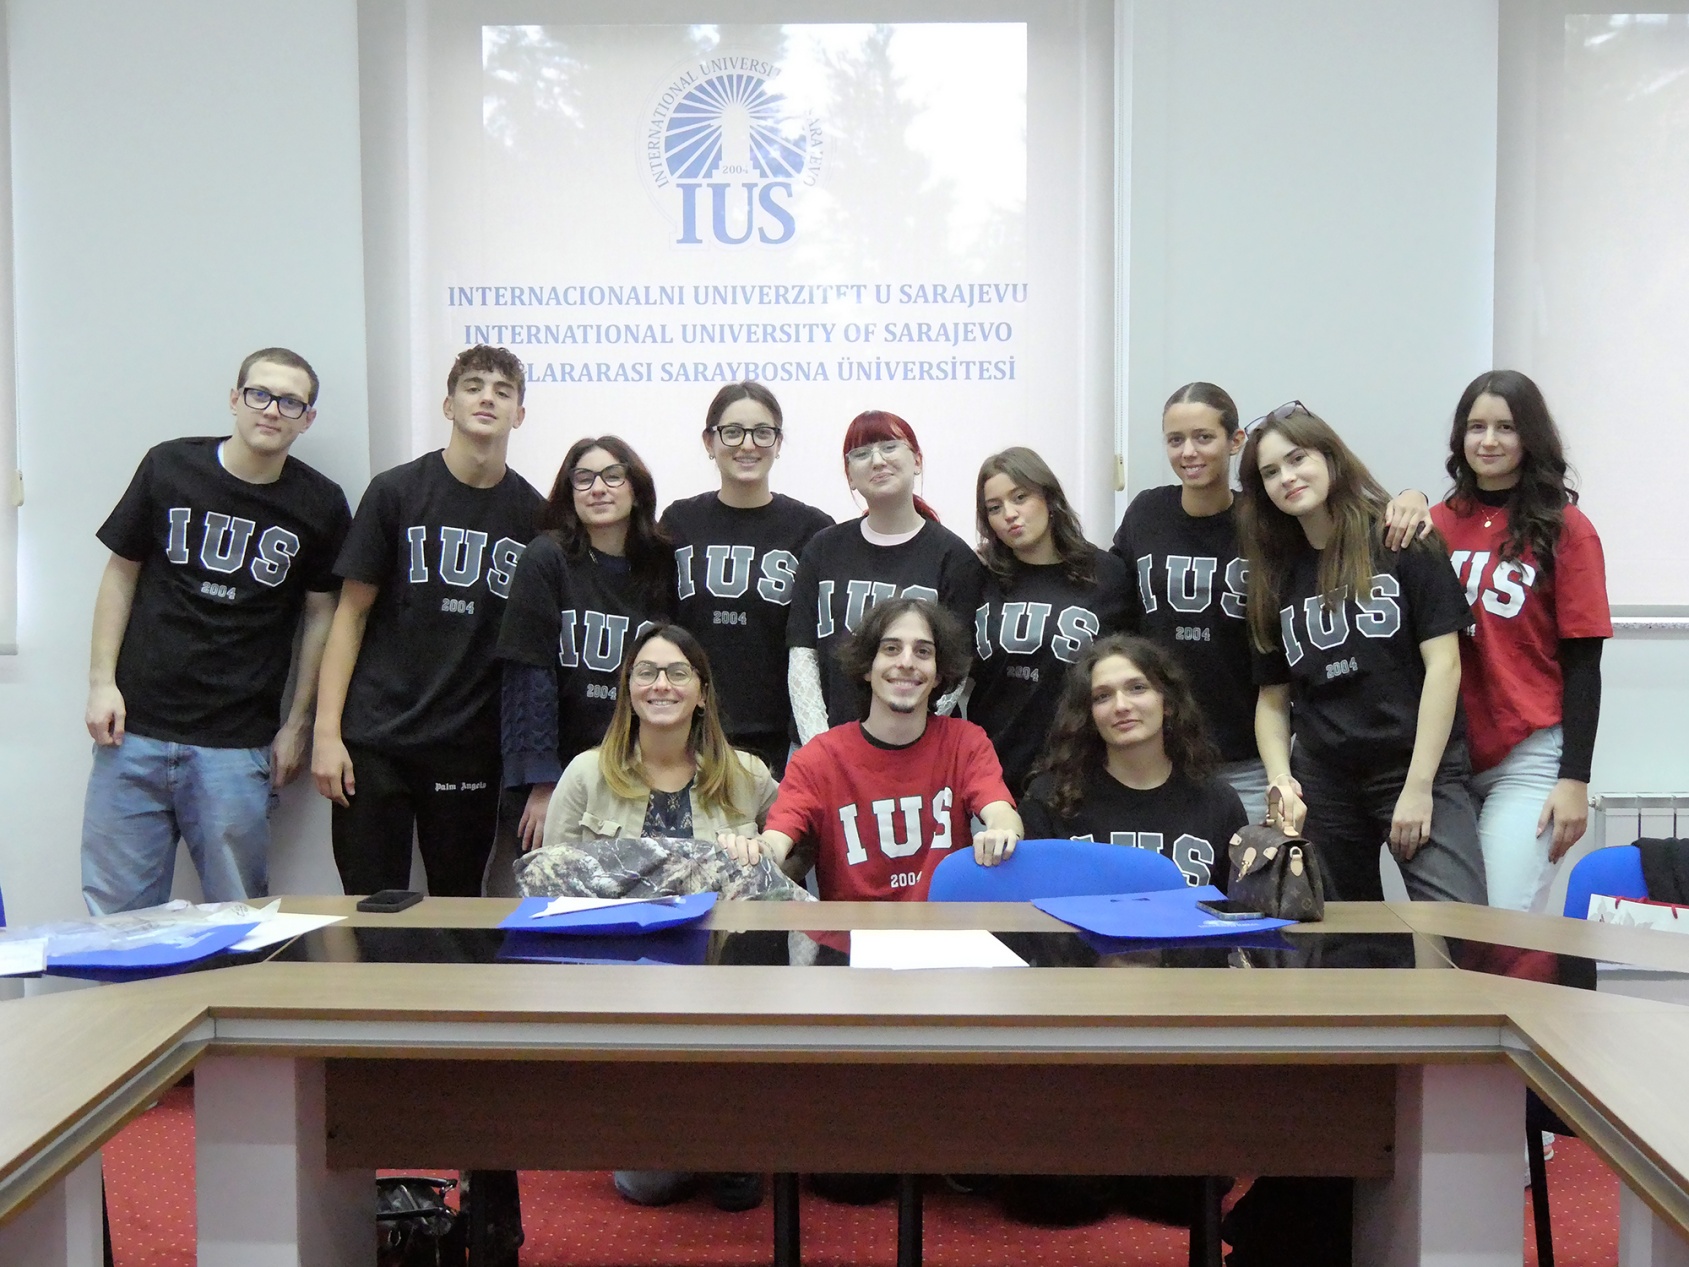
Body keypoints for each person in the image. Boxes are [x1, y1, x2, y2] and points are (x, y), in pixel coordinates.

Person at [82, 347, 351, 913]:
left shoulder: (321, 503)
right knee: (116, 918)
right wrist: (101, 682)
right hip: (135, 731)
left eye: (290, 401)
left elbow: (323, 615)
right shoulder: (169, 466)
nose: (272, 410)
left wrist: (297, 723)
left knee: (238, 917)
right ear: (235, 399)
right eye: (259, 394)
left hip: (237, 744)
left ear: (308, 417)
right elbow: (120, 574)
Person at [529, 623, 779, 1213]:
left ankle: (737, 1135)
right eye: (646, 671)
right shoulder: (585, 776)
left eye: (676, 673)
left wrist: (766, 854)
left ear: (702, 691)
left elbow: (793, 857)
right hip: (626, 996)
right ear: (628, 687)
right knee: (648, 1187)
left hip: (726, 998)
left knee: (734, 1191)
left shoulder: (748, 776)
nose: (660, 684)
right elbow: (549, 893)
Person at [1112, 382, 1433, 825]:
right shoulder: (1146, 513)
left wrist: (1413, 497)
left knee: (1253, 883)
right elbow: (1111, 609)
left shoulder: (1266, 526)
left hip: (1247, 754)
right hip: (1161, 751)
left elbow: (1333, 525)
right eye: (1175, 440)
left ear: (1235, 441)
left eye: (1204, 437)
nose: (1189, 451)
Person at [313, 344, 545, 898]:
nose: (487, 397)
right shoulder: (395, 492)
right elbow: (350, 613)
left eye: (503, 390)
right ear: (448, 405)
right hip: (375, 740)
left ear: (519, 414)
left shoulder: (536, 517)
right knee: (371, 909)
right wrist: (326, 733)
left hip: (469, 745)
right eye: (473, 386)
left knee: (457, 907)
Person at [1238, 402, 1486, 904]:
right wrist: (1281, 780)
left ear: (1330, 458)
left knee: (1456, 916)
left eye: (1297, 458)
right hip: (1326, 777)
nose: (1286, 477)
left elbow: (1445, 667)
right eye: (1269, 472)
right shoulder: (1272, 576)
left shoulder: (1402, 541)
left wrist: (1418, 788)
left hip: (1414, 764)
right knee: (1339, 931)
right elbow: (1272, 699)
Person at [1430, 371, 1610, 912]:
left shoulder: (1568, 530)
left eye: (1505, 427)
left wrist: (1575, 779)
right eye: (1476, 426)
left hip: (1528, 754)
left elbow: (1584, 663)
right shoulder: (1435, 525)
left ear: (1530, 435)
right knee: (1453, 921)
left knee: (1503, 918)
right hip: (1449, 756)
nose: (1489, 441)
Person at [725, 597, 1021, 900]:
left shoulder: (965, 742)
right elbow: (778, 839)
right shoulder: (818, 758)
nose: (906, 662)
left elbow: (1001, 812)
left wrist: (1003, 832)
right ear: (867, 667)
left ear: (939, 674)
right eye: (891, 649)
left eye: (923, 651)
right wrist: (759, 850)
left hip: (941, 938)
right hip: (851, 941)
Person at [495, 436, 678, 862]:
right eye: (584, 479)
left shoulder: (660, 567)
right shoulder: (546, 558)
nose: (599, 488)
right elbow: (528, 673)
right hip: (558, 769)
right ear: (569, 492)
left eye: (613, 476)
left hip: (635, 771)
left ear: (636, 491)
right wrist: (543, 784)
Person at [660, 383, 833, 775]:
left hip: (781, 741)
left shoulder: (813, 530)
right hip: (691, 733)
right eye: (732, 431)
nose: (748, 445)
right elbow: (660, 628)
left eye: (762, 432)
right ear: (710, 440)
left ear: (778, 442)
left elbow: (817, 647)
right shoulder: (679, 523)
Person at [787, 411, 986, 743]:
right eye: (861, 454)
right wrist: (819, 747)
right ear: (850, 476)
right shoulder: (822, 549)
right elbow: (802, 656)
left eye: (890, 447)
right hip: (823, 746)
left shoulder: (954, 558)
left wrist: (907, 737)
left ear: (917, 460)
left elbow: (955, 669)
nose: (877, 461)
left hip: (917, 749)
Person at [1020, 635, 1245, 890]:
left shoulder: (1218, 802)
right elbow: (1031, 913)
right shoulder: (1049, 798)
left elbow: (1239, 914)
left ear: (1168, 702)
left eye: (1137, 688)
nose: (1121, 706)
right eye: (1102, 696)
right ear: (1088, 715)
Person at [971, 447, 1129, 796]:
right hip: (993, 776)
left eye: (1020, 497)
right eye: (994, 508)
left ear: (1049, 497)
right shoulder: (979, 577)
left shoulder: (1107, 575)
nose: (1009, 515)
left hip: (1082, 774)